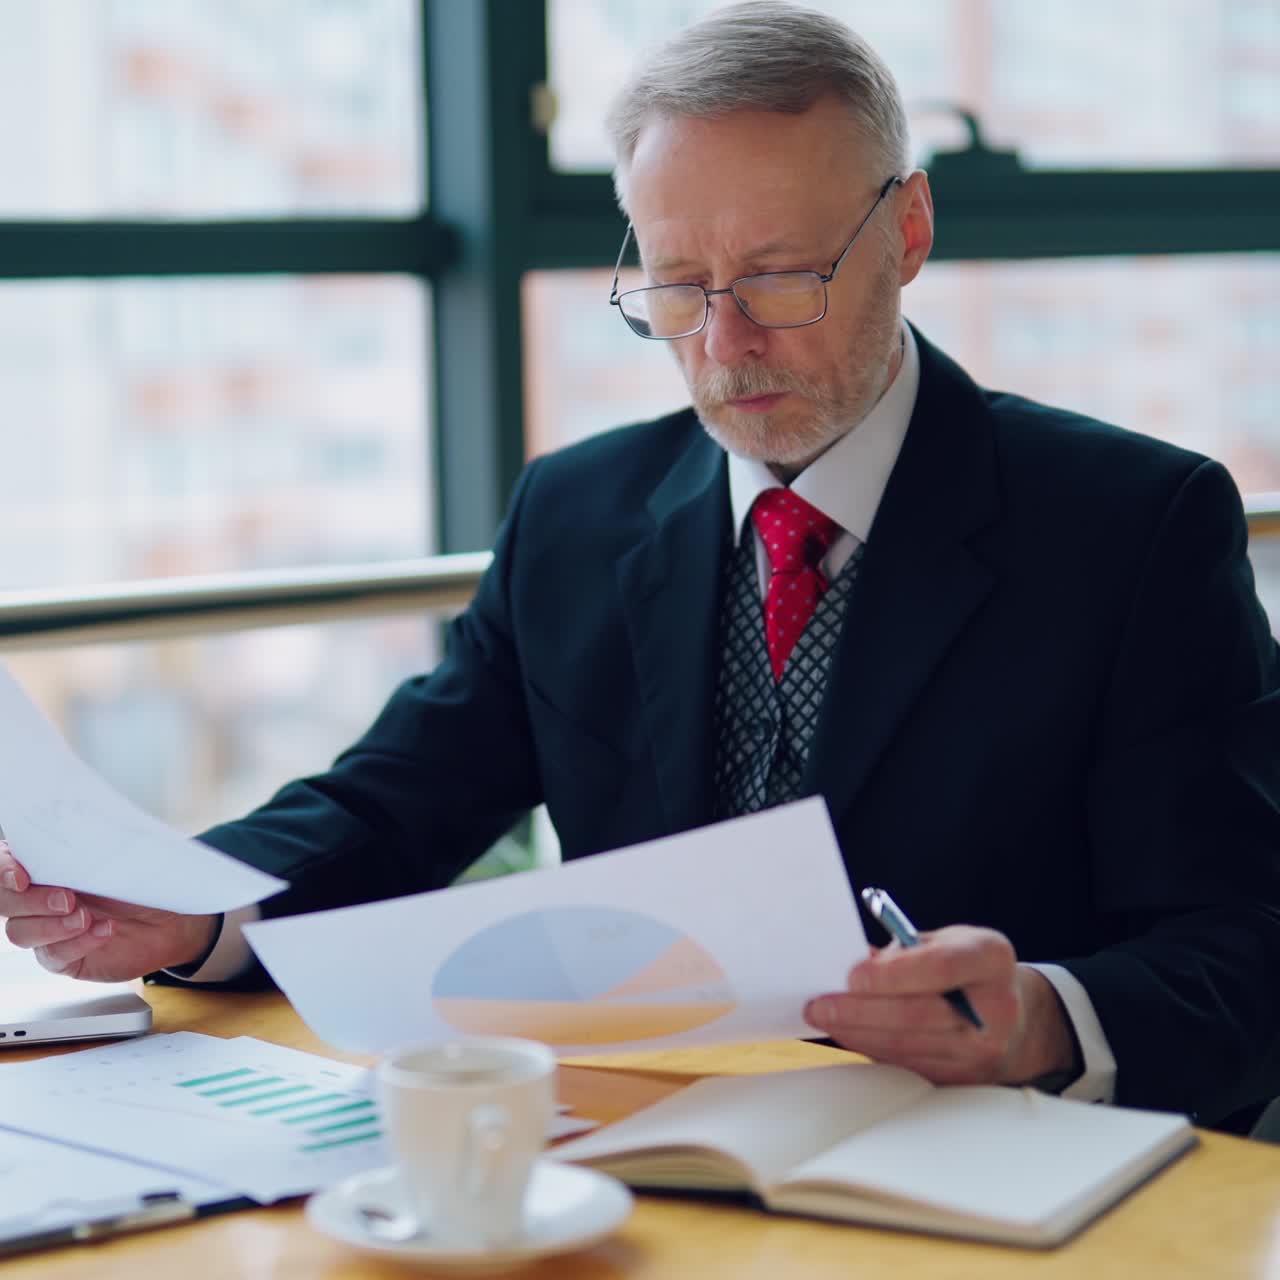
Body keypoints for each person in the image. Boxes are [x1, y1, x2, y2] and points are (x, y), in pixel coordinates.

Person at [3, 0, 1279, 1130]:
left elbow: (1245, 942)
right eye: (676, 283)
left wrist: (1046, 1020)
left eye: (781, 276)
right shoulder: (576, 512)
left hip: (997, 1173)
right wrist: (197, 911)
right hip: (640, 1158)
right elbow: (392, 803)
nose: (724, 343)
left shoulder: (1133, 524)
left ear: (908, 226)